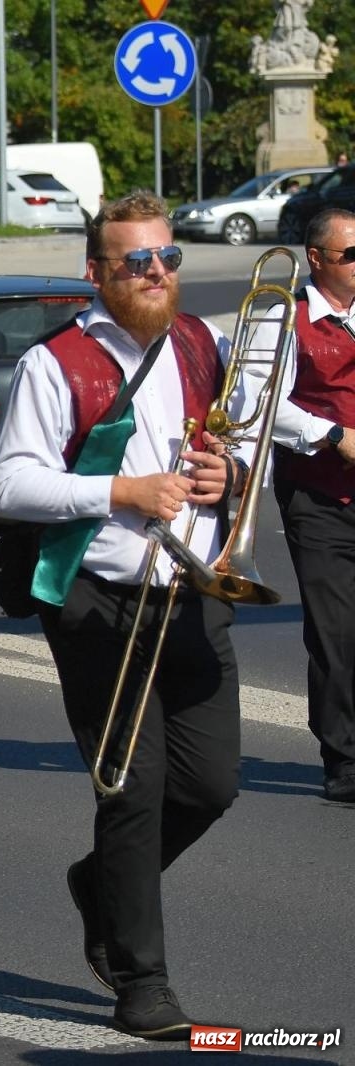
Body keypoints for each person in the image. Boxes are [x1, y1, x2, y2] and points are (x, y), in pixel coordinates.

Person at [0, 190, 251, 1040]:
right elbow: (12, 486)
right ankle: (143, 982)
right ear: (97, 273)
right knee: (132, 793)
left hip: (195, 592)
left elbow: (237, 449)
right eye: (137, 262)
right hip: (102, 601)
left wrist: (230, 479)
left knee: (211, 785)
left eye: (166, 258)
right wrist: (121, 492)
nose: (157, 274)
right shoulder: (54, 362)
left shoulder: (204, 344)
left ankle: (100, 882)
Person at [272, 207, 355, 804]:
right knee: (335, 634)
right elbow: (263, 405)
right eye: (350, 254)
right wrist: (331, 434)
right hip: (320, 496)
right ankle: (344, 759)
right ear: (317, 259)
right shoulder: (284, 317)